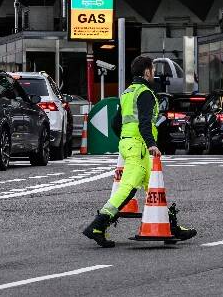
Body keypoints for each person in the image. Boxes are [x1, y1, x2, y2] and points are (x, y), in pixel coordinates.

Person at [82, 55, 196, 247]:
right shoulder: (145, 93)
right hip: (140, 146)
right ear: (146, 72)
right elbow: (145, 122)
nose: (154, 74)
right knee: (127, 188)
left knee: (152, 188)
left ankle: (170, 226)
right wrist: (151, 143)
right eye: (152, 70)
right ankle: (97, 225)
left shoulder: (128, 93)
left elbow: (115, 123)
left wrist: (126, 139)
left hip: (130, 144)